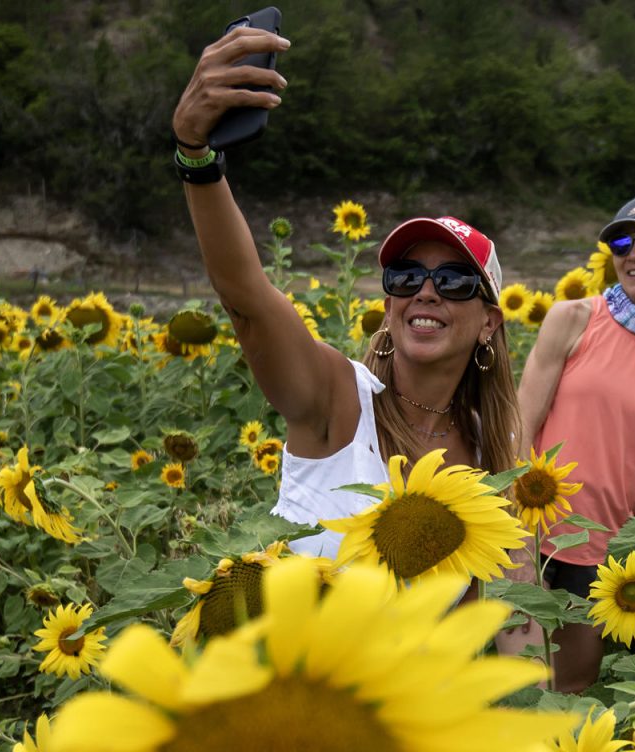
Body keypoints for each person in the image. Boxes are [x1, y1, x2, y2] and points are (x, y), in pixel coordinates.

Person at [171, 26, 519, 558]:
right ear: (389, 305)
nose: (425, 291)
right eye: (406, 276)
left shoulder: (487, 450)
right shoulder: (338, 401)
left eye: (452, 281)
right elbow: (248, 300)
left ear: (490, 321)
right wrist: (196, 156)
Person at [515, 194, 635, 691]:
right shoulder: (573, 318)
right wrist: (511, 524)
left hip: (601, 549)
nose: (633, 253)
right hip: (531, 533)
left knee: (574, 687)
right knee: (519, 687)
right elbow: (522, 419)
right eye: (620, 243)